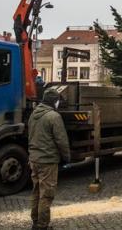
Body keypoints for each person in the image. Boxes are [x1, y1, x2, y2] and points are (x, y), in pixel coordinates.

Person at [28, 88, 70, 230]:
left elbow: (30, 136)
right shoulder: (54, 116)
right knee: (46, 194)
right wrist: (66, 157)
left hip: (34, 159)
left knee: (36, 191)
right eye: (58, 100)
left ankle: (35, 221)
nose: (58, 103)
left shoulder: (34, 114)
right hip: (48, 161)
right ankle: (42, 226)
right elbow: (61, 140)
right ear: (54, 101)